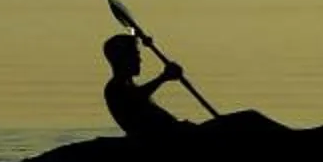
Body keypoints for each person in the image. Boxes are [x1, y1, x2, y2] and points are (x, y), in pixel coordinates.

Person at [100, 33, 294, 137]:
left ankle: (290, 136)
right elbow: (134, 100)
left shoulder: (129, 86)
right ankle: (291, 139)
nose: (139, 60)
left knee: (249, 119)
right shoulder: (115, 88)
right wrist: (163, 78)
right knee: (249, 118)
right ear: (121, 59)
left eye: (138, 55)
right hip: (174, 142)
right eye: (135, 55)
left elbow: (137, 96)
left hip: (183, 134)